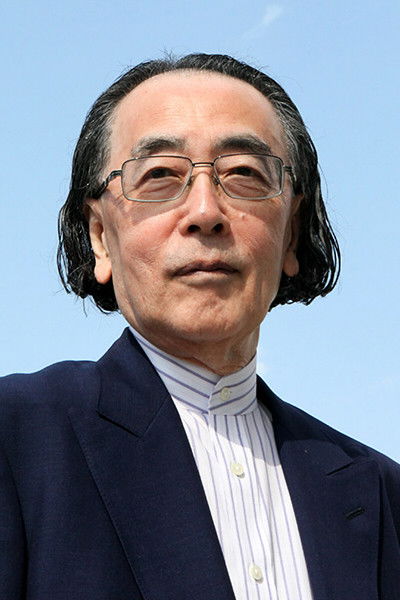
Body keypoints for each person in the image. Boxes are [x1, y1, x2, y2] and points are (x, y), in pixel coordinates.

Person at [0, 54, 399, 600]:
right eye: (159, 175)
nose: (206, 211)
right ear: (99, 236)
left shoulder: (379, 492)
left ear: (291, 233)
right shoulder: (19, 439)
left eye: (244, 174)